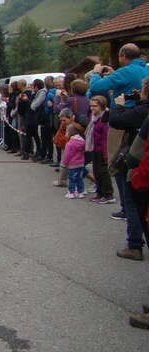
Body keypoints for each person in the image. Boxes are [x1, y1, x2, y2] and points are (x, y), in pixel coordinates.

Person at [109, 78, 149, 260]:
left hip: (140, 167)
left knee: (132, 202)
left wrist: (118, 105)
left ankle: (134, 245)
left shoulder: (143, 111)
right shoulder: (142, 108)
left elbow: (116, 120)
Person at [90, 43, 149, 108]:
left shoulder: (124, 72)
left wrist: (96, 73)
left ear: (123, 56)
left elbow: (95, 88)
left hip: (125, 113)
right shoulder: (146, 68)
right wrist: (114, 74)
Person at [86, 96, 114, 204]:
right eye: (91, 105)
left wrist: (106, 154)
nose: (92, 108)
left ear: (102, 106)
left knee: (103, 172)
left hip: (102, 149)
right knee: (97, 171)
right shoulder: (94, 116)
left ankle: (108, 194)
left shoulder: (105, 118)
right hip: (95, 147)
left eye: (95, 106)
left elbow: (105, 138)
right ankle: (100, 192)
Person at [61, 125, 86, 199]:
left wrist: (64, 163)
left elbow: (67, 155)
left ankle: (71, 192)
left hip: (72, 164)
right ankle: (80, 192)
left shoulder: (69, 144)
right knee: (80, 179)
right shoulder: (83, 142)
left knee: (72, 178)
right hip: (80, 163)